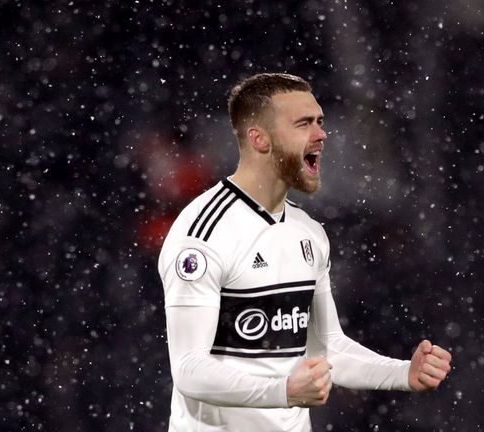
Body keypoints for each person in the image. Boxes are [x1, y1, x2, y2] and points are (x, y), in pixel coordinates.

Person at [158, 73, 452, 431]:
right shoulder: (203, 235)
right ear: (259, 139)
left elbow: (327, 350)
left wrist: (403, 373)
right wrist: (282, 390)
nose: (321, 134)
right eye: (303, 124)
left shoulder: (309, 234)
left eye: (320, 122)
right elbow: (189, 369)